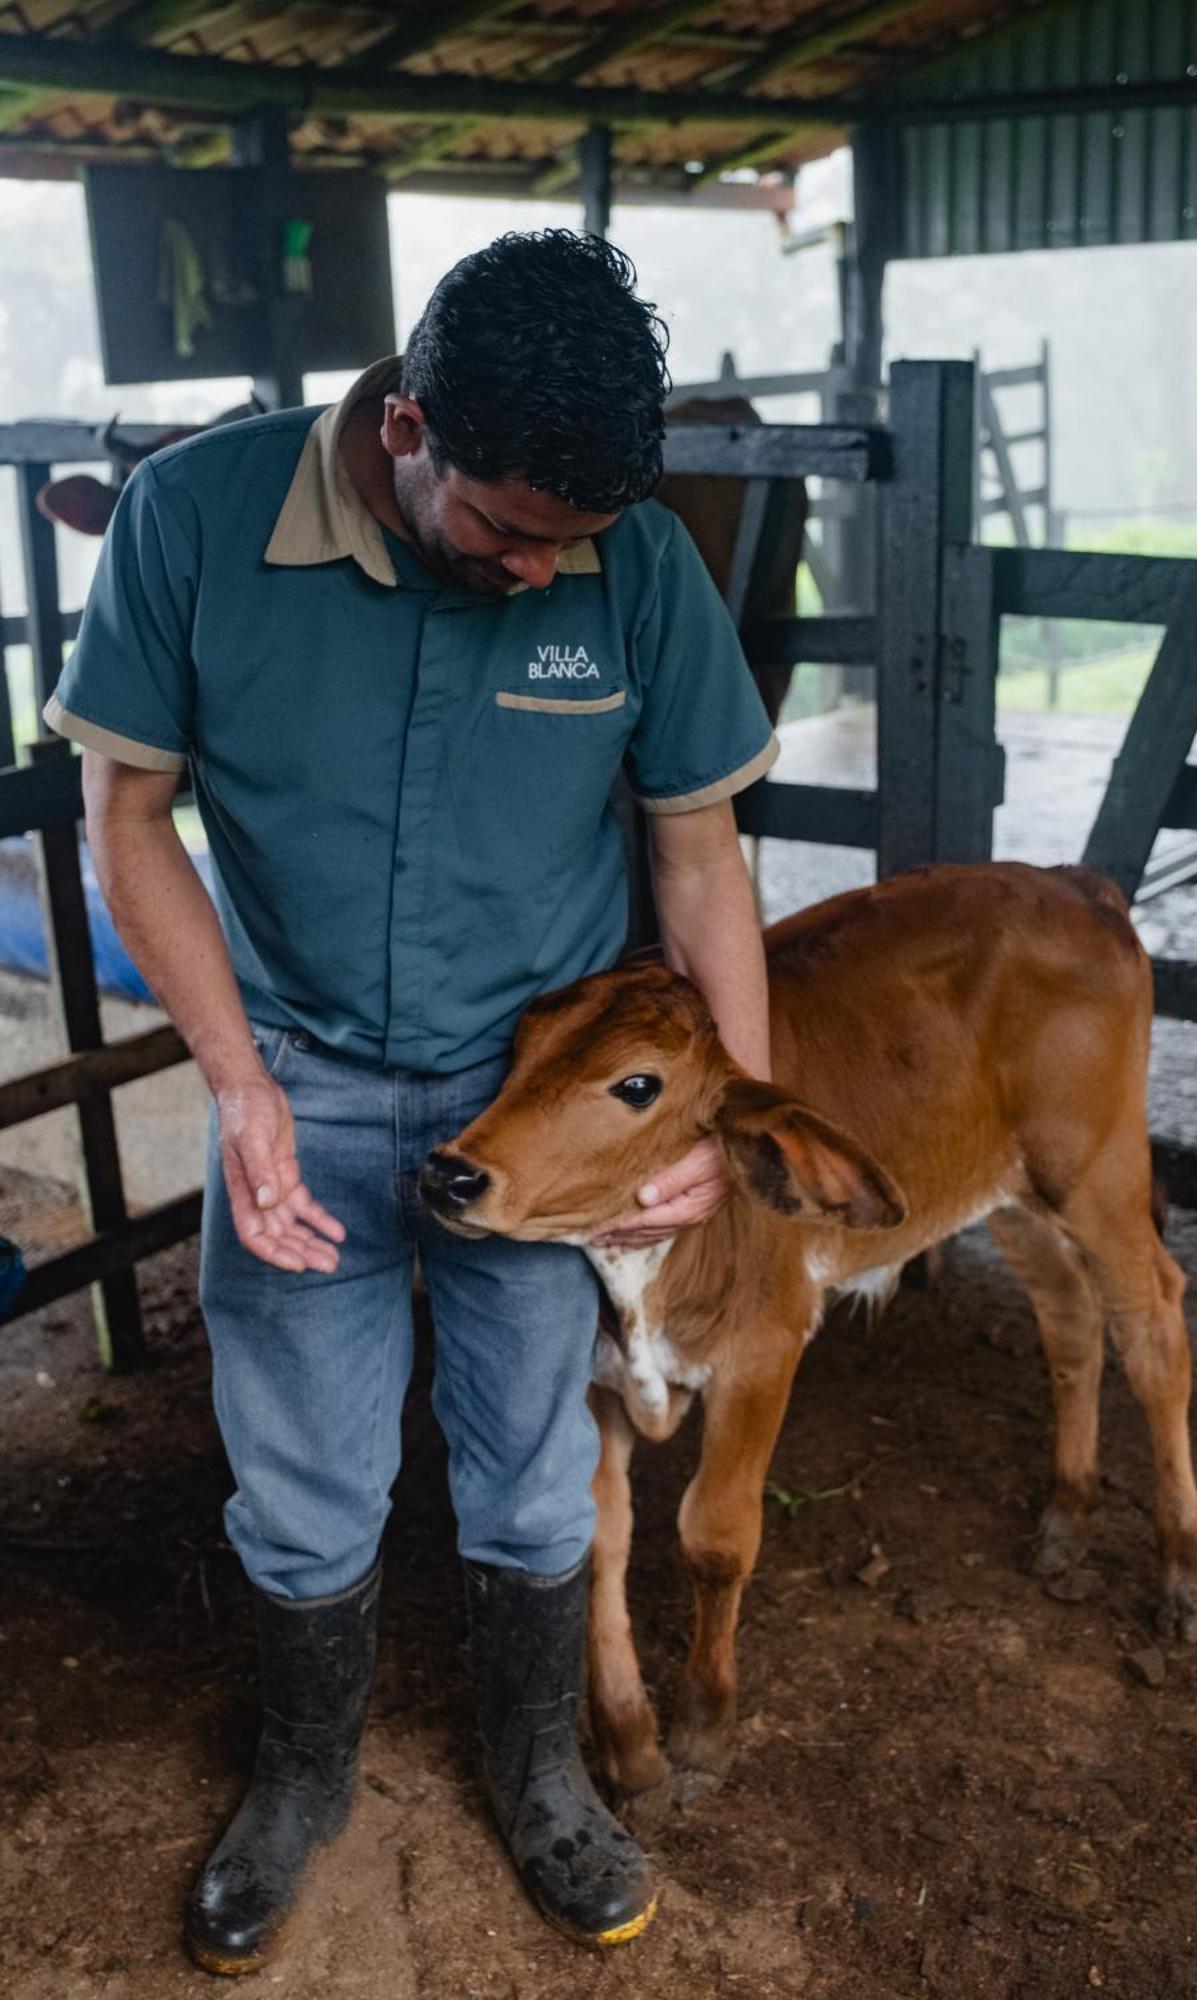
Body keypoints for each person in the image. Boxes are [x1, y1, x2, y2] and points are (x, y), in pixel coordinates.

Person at [46, 230, 776, 1973]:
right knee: (302, 1476)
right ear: (407, 425)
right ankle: (299, 1778)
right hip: (292, 1068)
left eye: (570, 546)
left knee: (534, 1465)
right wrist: (230, 1087)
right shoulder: (197, 520)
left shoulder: (639, 566)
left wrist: (719, 1129)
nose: (539, 575)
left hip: (541, 1106)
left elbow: (697, 853)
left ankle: (537, 1767)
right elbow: (128, 819)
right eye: (505, 529)